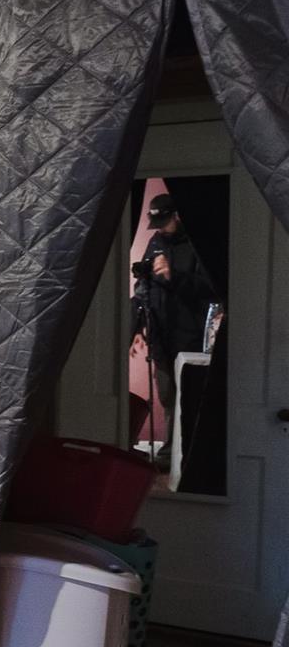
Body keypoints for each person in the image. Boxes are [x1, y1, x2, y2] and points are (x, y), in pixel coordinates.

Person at [134, 193, 217, 466]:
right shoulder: (156, 241)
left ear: (177, 216)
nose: (160, 228)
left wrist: (173, 277)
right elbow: (145, 284)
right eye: (156, 222)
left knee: (189, 395)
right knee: (167, 395)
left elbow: (210, 287)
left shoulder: (197, 244)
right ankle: (170, 452)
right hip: (160, 332)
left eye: (164, 221)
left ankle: (190, 456)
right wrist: (139, 323)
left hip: (189, 333)